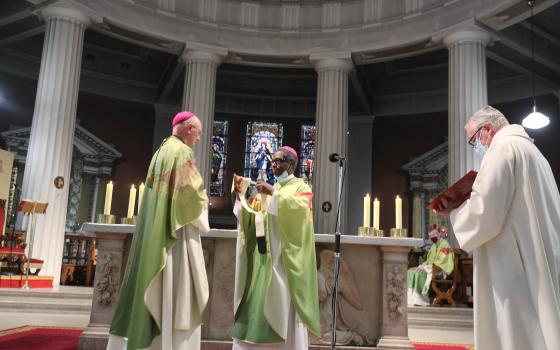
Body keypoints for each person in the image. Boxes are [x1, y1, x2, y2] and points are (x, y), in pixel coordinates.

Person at [435, 105, 560, 350]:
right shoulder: (534, 152)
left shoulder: (501, 149)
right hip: (538, 251)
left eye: (474, 139)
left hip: (513, 257)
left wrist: (454, 211)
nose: (477, 145)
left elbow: (485, 211)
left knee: (516, 324)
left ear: (488, 130)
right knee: (542, 317)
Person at [107, 111, 209, 350]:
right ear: (189, 129)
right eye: (199, 132)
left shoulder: (160, 151)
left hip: (157, 230)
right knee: (178, 293)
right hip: (174, 235)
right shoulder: (182, 152)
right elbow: (191, 196)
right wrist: (204, 206)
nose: (199, 138)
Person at [232, 146, 320, 349]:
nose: (273, 164)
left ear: (291, 165)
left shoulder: (301, 188)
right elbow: (255, 216)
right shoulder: (274, 189)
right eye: (272, 160)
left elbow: (300, 214)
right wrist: (241, 197)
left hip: (285, 262)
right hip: (264, 259)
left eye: (278, 161)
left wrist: (273, 194)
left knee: (283, 308)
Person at [406, 225, 454, 306]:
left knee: (419, 273)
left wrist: (425, 268)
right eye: (430, 236)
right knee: (411, 271)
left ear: (439, 234)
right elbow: (429, 261)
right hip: (431, 268)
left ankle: (421, 300)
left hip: (440, 271)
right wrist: (421, 266)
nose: (431, 237)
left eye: (433, 235)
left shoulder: (445, 245)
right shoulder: (434, 246)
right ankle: (411, 299)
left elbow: (442, 261)